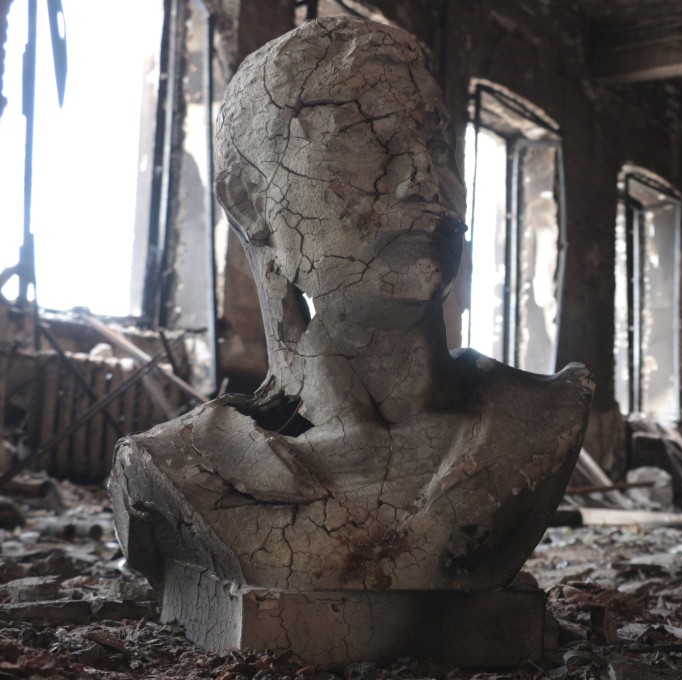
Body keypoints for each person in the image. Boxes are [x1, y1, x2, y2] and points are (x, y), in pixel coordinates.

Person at [110, 16, 592, 596]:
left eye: (438, 146)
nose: (423, 178)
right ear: (249, 202)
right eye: (359, 135)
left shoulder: (538, 420)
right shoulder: (184, 467)